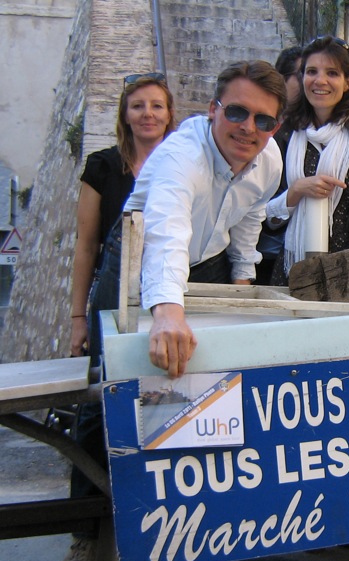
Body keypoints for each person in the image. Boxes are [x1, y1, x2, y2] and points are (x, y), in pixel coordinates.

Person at [62, 72, 176, 561]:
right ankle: (85, 535)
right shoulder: (104, 167)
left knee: (169, 400)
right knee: (95, 407)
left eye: (157, 105)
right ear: (125, 114)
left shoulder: (180, 163)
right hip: (112, 295)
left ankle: (172, 527)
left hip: (166, 295)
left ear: (170, 115)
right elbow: (87, 245)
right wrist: (77, 318)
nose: (147, 114)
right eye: (138, 105)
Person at [121, 60, 285, 379]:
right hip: (140, 266)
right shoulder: (181, 156)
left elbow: (250, 215)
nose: (249, 127)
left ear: (275, 128)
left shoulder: (270, 160)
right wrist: (168, 311)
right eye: (236, 112)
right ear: (213, 109)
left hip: (210, 264)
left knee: (215, 373)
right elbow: (166, 230)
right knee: (121, 372)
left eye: (263, 120)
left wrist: (242, 279)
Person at [262, 36, 349, 285]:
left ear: (348, 82)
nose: (320, 81)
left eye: (332, 73)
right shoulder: (289, 131)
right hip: (292, 266)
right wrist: (296, 191)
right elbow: (265, 216)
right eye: (312, 71)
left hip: (346, 269)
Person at [254, 45, 302, 285]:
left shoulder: (311, 132)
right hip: (261, 253)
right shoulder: (259, 130)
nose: (313, 81)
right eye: (304, 74)